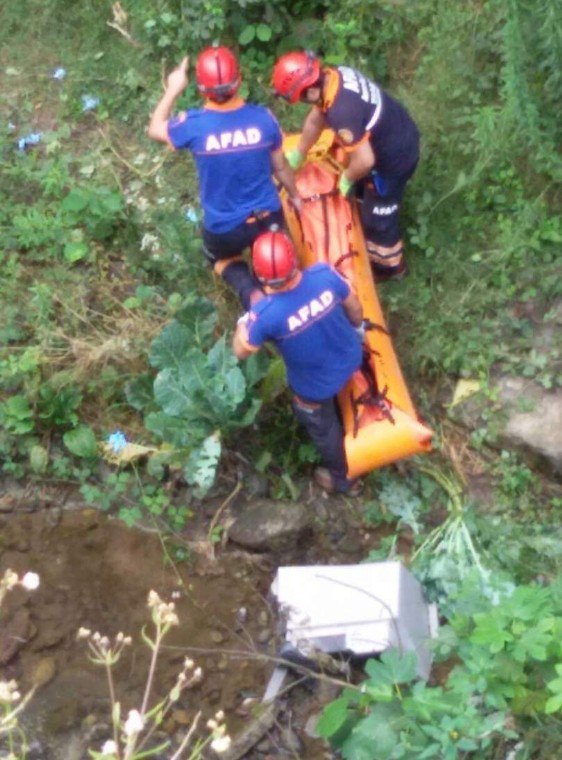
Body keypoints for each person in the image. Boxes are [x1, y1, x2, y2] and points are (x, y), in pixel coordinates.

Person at [148, 47, 301, 309]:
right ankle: (275, 278)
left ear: (201, 89)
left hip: (225, 228)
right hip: (268, 217)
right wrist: (296, 196)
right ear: (239, 82)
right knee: (275, 259)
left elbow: (154, 129)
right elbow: (281, 167)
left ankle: (248, 290)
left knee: (217, 257)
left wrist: (173, 88)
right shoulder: (264, 119)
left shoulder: (193, 125)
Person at [232, 228, 364, 494]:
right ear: (293, 261)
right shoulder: (324, 274)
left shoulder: (265, 315)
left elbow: (240, 352)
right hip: (351, 358)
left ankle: (344, 480)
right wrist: (358, 331)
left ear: (259, 275)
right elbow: (355, 308)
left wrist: (243, 322)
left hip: (315, 388)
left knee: (324, 429)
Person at [270, 51, 420, 280]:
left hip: (395, 159)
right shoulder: (335, 77)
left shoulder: (343, 112)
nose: (300, 103)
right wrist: (299, 153)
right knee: (362, 188)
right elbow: (315, 119)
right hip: (396, 129)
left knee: (377, 217)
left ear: (310, 90)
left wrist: (347, 178)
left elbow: (366, 160)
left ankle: (390, 267)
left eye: (300, 97)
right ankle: (363, 198)